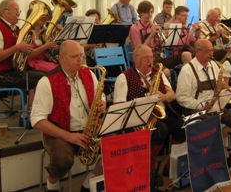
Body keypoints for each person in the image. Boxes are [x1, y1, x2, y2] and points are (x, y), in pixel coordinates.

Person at [31, 40, 106, 192]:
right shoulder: (46, 82)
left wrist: (102, 103)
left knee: (115, 147)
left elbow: (101, 95)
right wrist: (68, 136)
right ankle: (52, 184)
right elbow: (37, 120)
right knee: (62, 160)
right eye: (75, 57)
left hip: (88, 130)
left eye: (82, 56)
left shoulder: (89, 74)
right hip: (59, 132)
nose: (81, 60)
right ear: (62, 58)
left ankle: (88, 184)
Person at [113, 44, 184, 186]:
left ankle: (170, 166)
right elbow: (119, 106)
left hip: (161, 112)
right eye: (146, 58)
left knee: (182, 127)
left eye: (151, 57)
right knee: (160, 130)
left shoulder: (158, 73)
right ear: (135, 59)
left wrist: (163, 96)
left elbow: (172, 94)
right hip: (140, 118)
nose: (150, 61)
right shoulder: (124, 77)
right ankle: (150, 169)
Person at [0, 0, 46, 119]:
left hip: (12, 70)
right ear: (4, 12)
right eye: (16, 10)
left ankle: (34, 111)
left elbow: (25, 52)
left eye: (19, 10)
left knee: (46, 75)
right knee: (39, 79)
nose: (19, 13)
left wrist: (30, 40)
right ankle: (28, 116)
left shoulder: (15, 29)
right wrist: (17, 47)